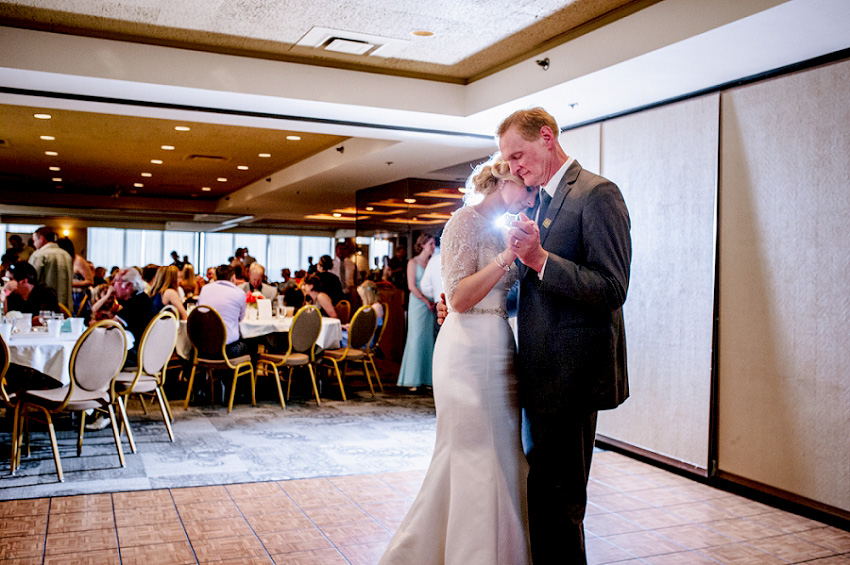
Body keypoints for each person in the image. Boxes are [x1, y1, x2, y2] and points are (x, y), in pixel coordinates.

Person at [380, 156, 536, 565]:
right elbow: (461, 298)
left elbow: (509, 299)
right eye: (528, 188)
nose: (532, 197)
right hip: (465, 349)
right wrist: (507, 257)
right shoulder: (462, 223)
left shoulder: (509, 229)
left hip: (500, 341)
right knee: (470, 449)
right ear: (504, 181)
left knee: (502, 447)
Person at [500, 107, 632, 563]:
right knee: (542, 496)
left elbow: (613, 288)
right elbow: (536, 294)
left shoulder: (598, 194)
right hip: (540, 374)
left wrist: (540, 261)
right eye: (509, 160)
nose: (514, 167)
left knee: (560, 503)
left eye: (518, 154)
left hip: (573, 377)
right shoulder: (538, 202)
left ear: (547, 137)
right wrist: (477, 308)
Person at [395, 233, 436, 391]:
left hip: (431, 304)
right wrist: (426, 301)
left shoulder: (432, 262)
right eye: (431, 243)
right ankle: (412, 379)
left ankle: (426, 379)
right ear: (423, 245)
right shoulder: (413, 262)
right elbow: (411, 286)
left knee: (428, 339)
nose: (433, 247)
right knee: (416, 337)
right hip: (418, 304)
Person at [90, 267, 155, 368]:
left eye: (116, 281)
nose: (111, 284)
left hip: (135, 356)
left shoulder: (136, 302)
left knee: (93, 356)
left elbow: (108, 325)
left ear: (128, 285)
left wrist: (93, 323)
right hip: (147, 354)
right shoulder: (142, 298)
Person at [196, 264, 250, 358]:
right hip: (227, 351)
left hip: (202, 348)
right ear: (233, 277)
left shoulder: (205, 289)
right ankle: (244, 372)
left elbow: (198, 312)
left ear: (216, 277)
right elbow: (240, 319)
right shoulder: (239, 293)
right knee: (252, 343)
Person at [28, 226, 73, 311]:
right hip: (65, 306)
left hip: (45, 305)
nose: (34, 244)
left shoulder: (39, 255)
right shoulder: (66, 254)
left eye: (35, 240)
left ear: (41, 238)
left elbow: (31, 280)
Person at [56, 237, 94, 318]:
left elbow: (90, 281)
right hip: (66, 295)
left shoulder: (79, 261)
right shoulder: (63, 260)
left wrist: (71, 284)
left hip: (77, 296)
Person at [419, 238, 443, 339]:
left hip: (440, 303)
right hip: (462, 305)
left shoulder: (435, 260)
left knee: (440, 338)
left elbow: (424, 286)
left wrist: (435, 296)